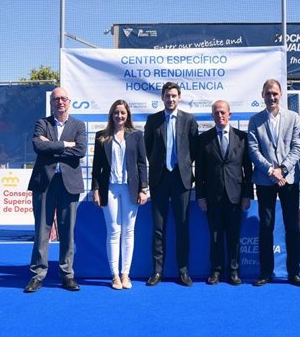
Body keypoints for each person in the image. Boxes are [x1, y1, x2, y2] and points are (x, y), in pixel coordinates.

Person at [24, 87, 87, 293]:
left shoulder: (78, 125)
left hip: (69, 184)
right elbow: (38, 147)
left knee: (67, 231)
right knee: (42, 230)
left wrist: (52, 146)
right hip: (45, 183)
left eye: (63, 99)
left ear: (69, 102)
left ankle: (67, 274)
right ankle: (38, 274)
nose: (60, 102)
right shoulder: (42, 123)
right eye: (56, 99)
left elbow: (80, 151)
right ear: (51, 103)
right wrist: (64, 145)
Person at [247, 79, 300, 287]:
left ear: (281, 95)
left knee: (292, 227)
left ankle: (294, 272)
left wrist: (283, 169)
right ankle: (265, 272)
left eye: (275, 93)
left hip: (289, 179)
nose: (271, 97)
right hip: (265, 180)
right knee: (266, 226)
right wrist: (271, 171)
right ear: (262, 95)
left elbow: (298, 147)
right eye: (268, 93)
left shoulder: (294, 118)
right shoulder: (255, 121)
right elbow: (253, 150)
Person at [144, 81, 199, 286]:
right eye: (167, 96)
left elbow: (193, 151)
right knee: (158, 228)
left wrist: (181, 166)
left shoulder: (189, 120)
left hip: (181, 179)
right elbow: (148, 149)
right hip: (159, 179)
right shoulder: (153, 120)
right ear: (162, 98)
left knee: (182, 227)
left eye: (174, 96)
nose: (171, 99)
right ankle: (157, 271)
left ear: (179, 97)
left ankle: (183, 271)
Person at [91, 100, 149, 290]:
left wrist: (144, 188)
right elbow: (96, 167)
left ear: (128, 115)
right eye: (116, 113)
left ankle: (126, 275)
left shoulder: (136, 136)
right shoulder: (102, 137)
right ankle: (114, 275)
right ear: (111, 115)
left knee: (129, 232)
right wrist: (96, 189)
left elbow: (142, 164)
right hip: (110, 189)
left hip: (131, 189)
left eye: (123, 113)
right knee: (114, 231)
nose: (120, 116)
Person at [195, 100, 253, 286]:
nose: (220, 116)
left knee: (234, 235)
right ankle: (216, 271)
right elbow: (200, 171)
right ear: (212, 116)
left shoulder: (242, 138)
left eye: (223, 112)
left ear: (230, 115)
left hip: (235, 196)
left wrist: (247, 195)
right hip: (213, 196)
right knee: (215, 235)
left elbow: (248, 170)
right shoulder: (204, 139)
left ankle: (234, 271)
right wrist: (201, 196)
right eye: (216, 113)